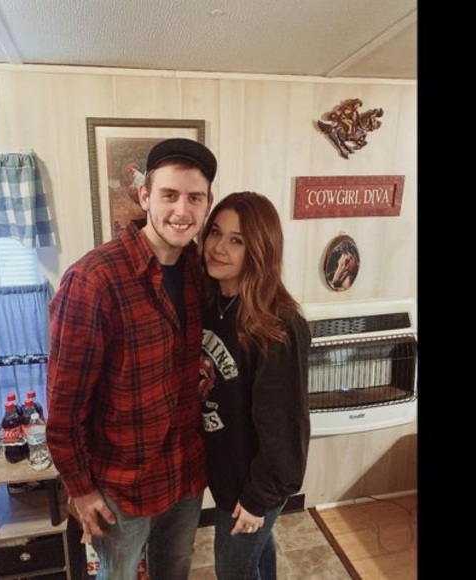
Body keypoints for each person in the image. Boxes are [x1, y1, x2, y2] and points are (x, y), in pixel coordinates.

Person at [46, 138, 217, 579]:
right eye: (169, 195)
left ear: (207, 203)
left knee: (175, 569)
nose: (182, 210)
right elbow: (64, 410)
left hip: (185, 471)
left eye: (194, 198)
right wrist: (81, 490)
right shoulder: (93, 281)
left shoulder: (201, 271)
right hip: (121, 484)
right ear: (144, 196)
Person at [198, 191, 311, 579]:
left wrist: (258, 499)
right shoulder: (212, 304)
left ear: (260, 250)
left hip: (252, 485)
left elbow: (285, 424)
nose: (218, 247)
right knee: (258, 558)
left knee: (232, 570)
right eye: (215, 232)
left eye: (237, 240)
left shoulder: (278, 325)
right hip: (227, 475)